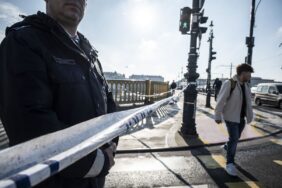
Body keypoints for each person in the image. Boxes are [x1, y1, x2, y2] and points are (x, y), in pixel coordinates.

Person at [0, 0, 117, 187]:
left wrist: (110, 146)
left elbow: (109, 105)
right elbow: (31, 124)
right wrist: (97, 161)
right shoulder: (23, 42)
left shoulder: (90, 53)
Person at [214, 63, 254, 177]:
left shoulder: (246, 86)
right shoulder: (229, 83)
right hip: (231, 117)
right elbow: (220, 100)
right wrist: (217, 116)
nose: (250, 76)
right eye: (249, 73)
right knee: (234, 138)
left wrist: (250, 116)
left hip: (241, 118)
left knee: (235, 138)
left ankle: (227, 146)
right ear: (243, 73)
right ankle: (230, 163)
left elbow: (248, 104)